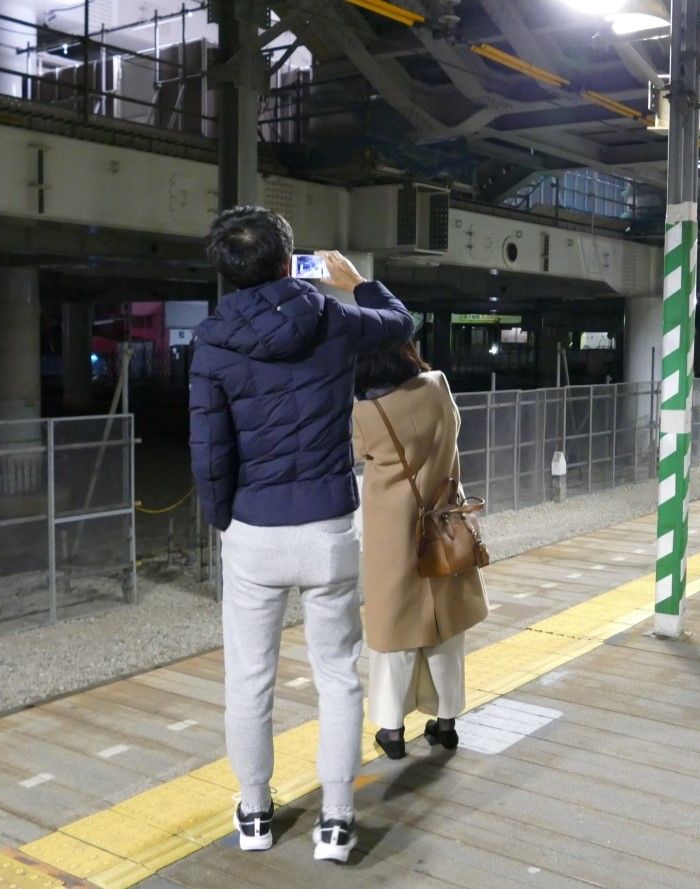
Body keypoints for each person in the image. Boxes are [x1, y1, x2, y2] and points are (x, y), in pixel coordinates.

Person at [189, 206, 413, 863]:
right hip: (326, 527)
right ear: (291, 262)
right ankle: (337, 822)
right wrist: (356, 283)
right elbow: (400, 325)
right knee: (338, 677)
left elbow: (209, 449)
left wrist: (224, 521)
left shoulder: (211, 340)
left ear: (227, 273)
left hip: (253, 530)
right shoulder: (332, 316)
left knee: (249, 678)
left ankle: (255, 811)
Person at [351, 343, 489, 761]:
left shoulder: (365, 413)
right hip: (444, 518)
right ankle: (446, 725)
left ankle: (392, 733)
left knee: (394, 628)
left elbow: (358, 454)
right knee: (446, 625)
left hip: (393, 528)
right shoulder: (437, 387)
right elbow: (456, 424)